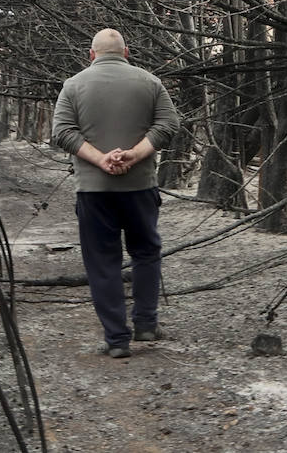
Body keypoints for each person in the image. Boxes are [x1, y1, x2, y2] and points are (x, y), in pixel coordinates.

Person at [52, 28, 181, 359]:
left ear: (91, 55)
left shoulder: (73, 85)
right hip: (140, 187)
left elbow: (63, 132)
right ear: (126, 52)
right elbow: (168, 126)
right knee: (146, 253)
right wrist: (134, 156)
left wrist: (101, 160)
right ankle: (146, 324)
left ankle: (117, 339)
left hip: (95, 192)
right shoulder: (150, 83)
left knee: (103, 263)